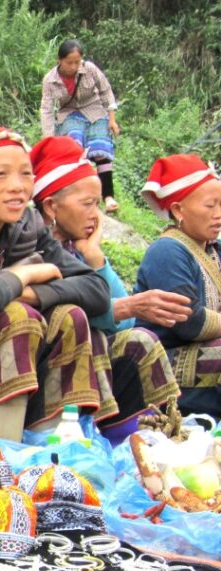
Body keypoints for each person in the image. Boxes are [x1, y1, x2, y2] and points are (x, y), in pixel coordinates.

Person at [0, 127, 111, 442]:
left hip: (15, 354)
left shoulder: (27, 227)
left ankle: (52, 451)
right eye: (1, 175)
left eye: (26, 175)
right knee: (18, 317)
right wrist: (23, 276)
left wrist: (33, 294)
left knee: (70, 316)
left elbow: (97, 291)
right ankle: (4, 455)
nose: (18, 188)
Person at [29, 137, 185, 441]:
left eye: (98, 205)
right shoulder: (35, 248)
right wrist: (126, 307)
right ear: (50, 206)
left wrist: (95, 257)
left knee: (139, 340)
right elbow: (64, 313)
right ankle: (88, 440)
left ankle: (150, 439)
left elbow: (126, 323)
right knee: (97, 338)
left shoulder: (77, 250)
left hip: (81, 359)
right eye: (87, 204)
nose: (95, 215)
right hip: (41, 368)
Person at [136, 155, 221, 418]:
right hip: (162, 360)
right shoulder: (168, 250)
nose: (218, 214)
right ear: (178, 210)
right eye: (210, 206)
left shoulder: (214, 250)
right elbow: (189, 322)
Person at [41, 39, 121, 214]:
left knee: (101, 150)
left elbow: (106, 91)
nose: (73, 66)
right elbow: (46, 109)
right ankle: (82, 195)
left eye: (77, 62)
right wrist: (49, 137)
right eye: (69, 62)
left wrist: (112, 119)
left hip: (95, 110)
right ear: (59, 60)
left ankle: (108, 197)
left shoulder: (89, 69)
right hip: (69, 113)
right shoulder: (50, 80)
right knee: (74, 148)